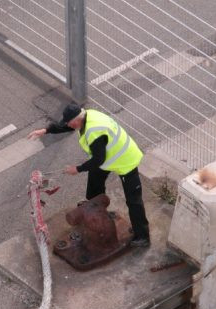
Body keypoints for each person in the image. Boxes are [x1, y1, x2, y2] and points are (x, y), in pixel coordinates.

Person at [28, 103, 150, 247]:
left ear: (76, 120)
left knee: (133, 200)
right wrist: (45, 130)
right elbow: (68, 126)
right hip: (110, 157)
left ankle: (142, 236)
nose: (69, 126)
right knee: (94, 181)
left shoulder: (93, 132)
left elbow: (99, 159)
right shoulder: (86, 115)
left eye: (70, 123)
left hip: (125, 160)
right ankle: (96, 210)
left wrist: (77, 169)